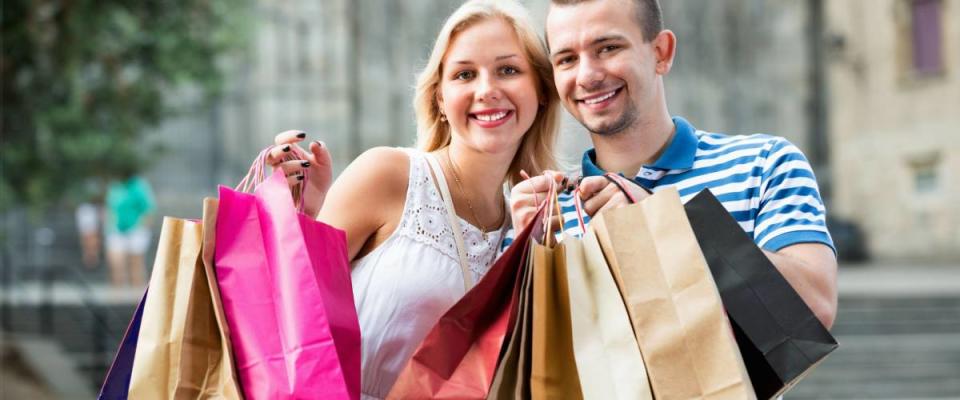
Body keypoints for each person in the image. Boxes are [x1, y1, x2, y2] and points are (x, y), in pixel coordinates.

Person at [268, 1, 560, 397]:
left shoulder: (532, 225)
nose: (487, 90)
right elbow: (284, 314)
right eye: (464, 74)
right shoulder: (389, 175)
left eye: (508, 70)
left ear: (541, 90)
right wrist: (295, 217)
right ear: (440, 98)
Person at [509, 0, 839, 329]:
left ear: (661, 53)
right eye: (567, 59)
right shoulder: (544, 212)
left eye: (608, 48)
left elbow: (814, 309)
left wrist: (662, 225)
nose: (587, 75)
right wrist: (526, 259)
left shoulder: (764, 164)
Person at [104, 169, 156, 287]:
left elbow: (149, 209)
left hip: (136, 228)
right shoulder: (115, 186)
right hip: (116, 229)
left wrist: (143, 227)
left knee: (135, 263)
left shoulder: (139, 186)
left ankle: (137, 296)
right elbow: (110, 208)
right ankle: (118, 293)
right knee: (116, 263)